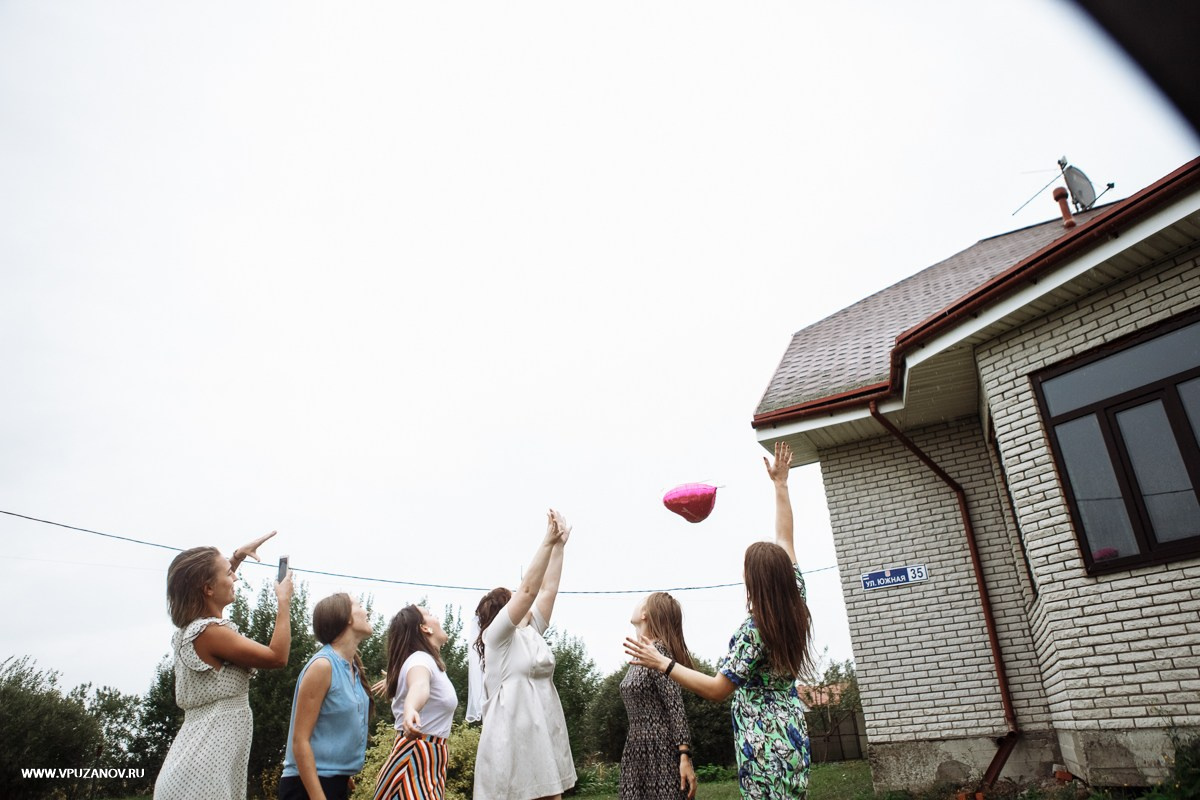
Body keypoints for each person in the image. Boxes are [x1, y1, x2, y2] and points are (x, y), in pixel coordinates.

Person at [625, 442, 814, 799]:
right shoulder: (795, 598)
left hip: (762, 745)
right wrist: (780, 485)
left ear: (756, 581)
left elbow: (716, 689)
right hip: (792, 731)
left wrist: (663, 664)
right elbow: (785, 539)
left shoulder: (755, 631)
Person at [155, 531, 294, 800]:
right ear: (208, 588)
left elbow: (211, 590)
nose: (235, 578)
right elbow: (278, 656)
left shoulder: (195, 629)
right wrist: (284, 601)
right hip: (202, 772)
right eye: (229, 573)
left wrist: (236, 557)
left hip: (195, 761)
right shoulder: (210, 633)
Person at [472, 510, 576, 800]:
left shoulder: (530, 632)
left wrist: (559, 547)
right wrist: (546, 540)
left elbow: (549, 589)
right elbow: (530, 590)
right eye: (514, 598)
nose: (523, 599)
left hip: (540, 738)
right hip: (509, 743)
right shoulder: (497, 637)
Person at [278, 593, 373, 800]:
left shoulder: (352, 668)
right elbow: (300, 741)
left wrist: (339, 770)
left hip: (332, 782)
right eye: (360, 605)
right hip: (306, 787)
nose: (367, 611)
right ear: (346, 617)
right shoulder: (323, 666)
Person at [372, 605, 457, 800]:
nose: (436, 615)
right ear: (425, 628)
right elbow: (419, 686)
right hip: (416, 753)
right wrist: (410, 708)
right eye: (430, 614)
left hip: (429, 757)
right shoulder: (420, 659)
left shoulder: (427, 663)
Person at [619, 592, 696, 800]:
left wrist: (684, 756)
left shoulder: (659, 652)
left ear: (645, 614)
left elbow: (675, 706)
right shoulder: (643, 652)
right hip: (638, 748)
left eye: (642, 601)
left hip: (660, 752)